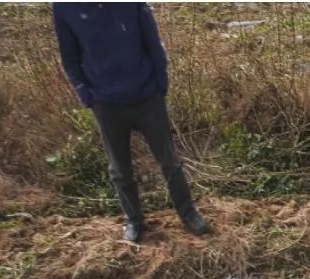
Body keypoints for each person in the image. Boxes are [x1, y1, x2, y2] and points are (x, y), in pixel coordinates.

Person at [52, 3, 209, 243]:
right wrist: (86, 94)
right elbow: (70, 58)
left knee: (169, 161)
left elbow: (153, 43)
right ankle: (133, 220)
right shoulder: (65, 7)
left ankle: (188, 214)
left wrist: (160, 84)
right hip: (106, 103)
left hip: (146, 96)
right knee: (120, 169)